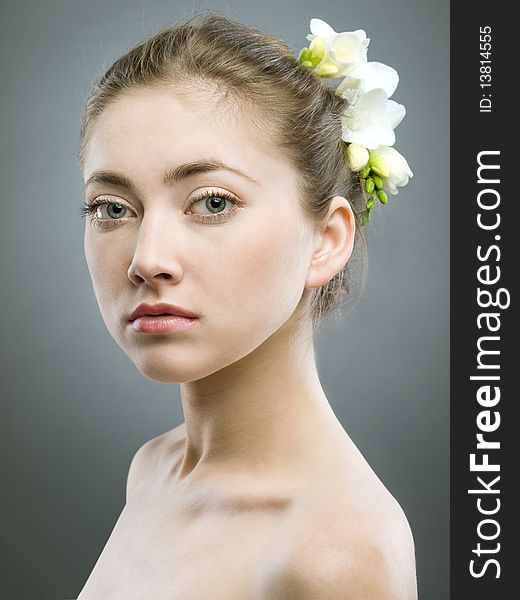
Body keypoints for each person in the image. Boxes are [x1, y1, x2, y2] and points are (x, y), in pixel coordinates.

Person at [77, 11, 417, 599]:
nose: (146, 258)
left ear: (327, 239)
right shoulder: (153, 470)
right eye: (111, 207)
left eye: (212, 203)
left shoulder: (333, 556)